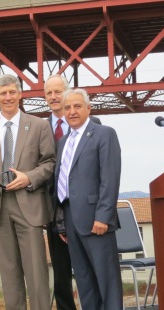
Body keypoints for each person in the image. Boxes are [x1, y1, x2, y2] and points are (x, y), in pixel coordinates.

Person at [0, 74, 55, 310]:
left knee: (36, 273)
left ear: (20, 94)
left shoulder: (39, 125)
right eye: (3, 93)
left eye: (12, 92)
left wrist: (29, 177)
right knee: (9, 274)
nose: (8, 97)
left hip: (28, 203)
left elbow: (49, 162)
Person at [56, 88, 122, 310]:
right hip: (72, 222)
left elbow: (110, 178)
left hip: (97, 221)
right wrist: (62, 222)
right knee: (84, 283)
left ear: (88, 108)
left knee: (107, 281)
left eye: (77, 106)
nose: (72, 112)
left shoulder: (104, 134)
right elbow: (62, 182)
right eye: (67, 108)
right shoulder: (63, 142)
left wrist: (103, 216)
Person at [44, 74, 101, 310]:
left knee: (90, 269)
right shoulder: (39, 127)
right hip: (55, 211)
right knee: (61, 272)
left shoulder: (94, 125)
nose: (54, 97)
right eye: (49, 93)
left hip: (86, 211)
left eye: (59, 91)